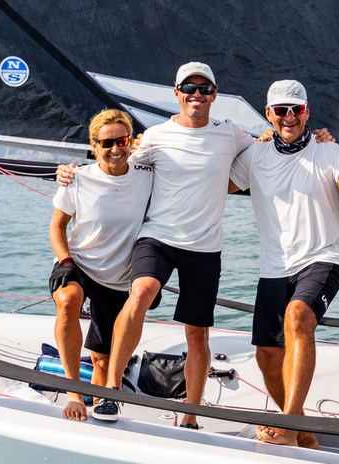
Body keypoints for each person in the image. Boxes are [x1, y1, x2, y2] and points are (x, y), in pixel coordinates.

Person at [59, 61, 254, 428]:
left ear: (214, 95)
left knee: (197, 334)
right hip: (158, 237)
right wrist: (71, 172)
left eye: (204, 89)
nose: (197, 95)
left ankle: (191, 414)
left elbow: (264, 152)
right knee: (141, 293)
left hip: (205, 246)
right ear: (177, 93)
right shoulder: (155, 136)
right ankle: (111, 390)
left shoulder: (231, 134)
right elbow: (115, 165)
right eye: (189, 89)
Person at [229, 80, 339, 448]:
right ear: (269, 114)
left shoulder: (328, 151)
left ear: (307, 112)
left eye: (296, 109)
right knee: (267, 355)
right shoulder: (254, 155)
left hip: (322, 258)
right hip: (274, 266)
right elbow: (212, 183)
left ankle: (289, 423)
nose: (289, 117)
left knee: (298, 316)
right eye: (281, 110)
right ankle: (301, 430)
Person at [49, 108, 153, 421]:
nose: (115, 149)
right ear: (94, 146)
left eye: (121, 141)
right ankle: (73, 393)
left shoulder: (148, 175)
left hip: (118, 278)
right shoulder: (78, 178)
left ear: (131, 141)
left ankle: (102, 405)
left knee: (102, 361)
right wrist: (65, 260)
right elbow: (57, 226)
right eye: (106, 143)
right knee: (68, 301)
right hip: (78, 264)